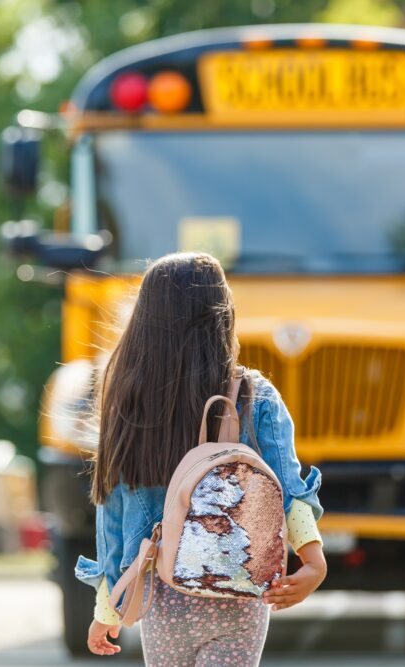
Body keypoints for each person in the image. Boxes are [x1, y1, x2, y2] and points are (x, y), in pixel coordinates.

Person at [75, 252, 326, 665]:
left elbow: (113, 514)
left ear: (145, 322)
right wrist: (313, 562)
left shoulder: (130, 402)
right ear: (222, 315)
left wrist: (108, 605)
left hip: (164, 592)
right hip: (239, 587)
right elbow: (288, 488)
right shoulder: (253, 395)